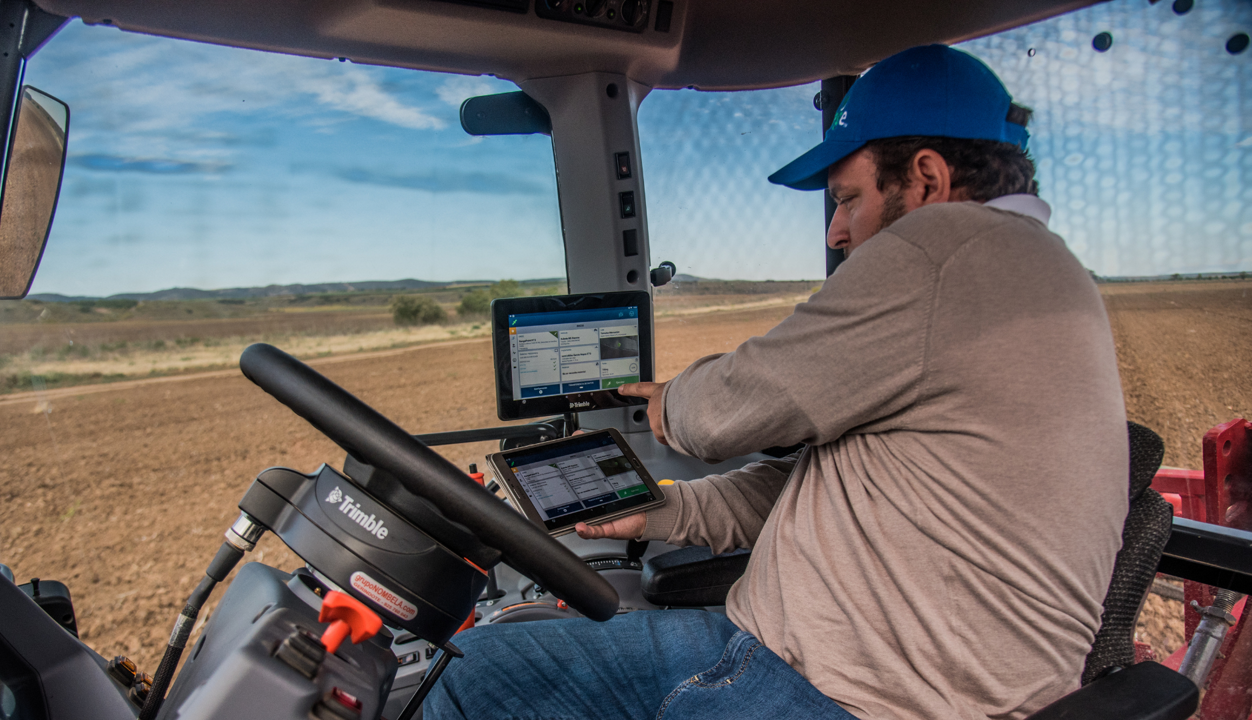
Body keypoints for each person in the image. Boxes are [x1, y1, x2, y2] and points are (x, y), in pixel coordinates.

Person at [426, 44, 1128, 720]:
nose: (834, 231)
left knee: (470, 673)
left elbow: (721, 416)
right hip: (869, 673)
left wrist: (670, 399)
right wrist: (664, 514)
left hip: (846, 695)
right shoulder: (1042, 275)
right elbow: (843, 483)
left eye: (847, 199)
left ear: (927, 179)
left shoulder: (947, 249)